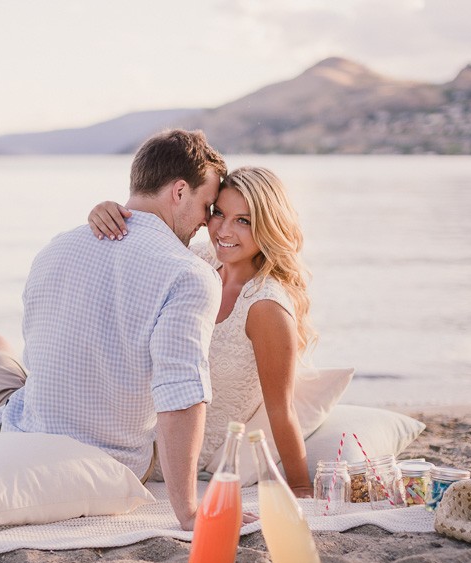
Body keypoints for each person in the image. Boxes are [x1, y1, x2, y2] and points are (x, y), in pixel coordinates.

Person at [0, 129, 228, 530]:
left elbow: (40, 348)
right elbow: (179, 394)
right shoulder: (191, 274)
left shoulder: (55, 249)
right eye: (207, 205)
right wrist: (187, 510)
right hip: (115, 461)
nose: (207, 221)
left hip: (25, 432)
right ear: (180, 191)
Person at [88, 166, 316, 497]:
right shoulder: (199, 260)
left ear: (268, 226)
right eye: (218, 213)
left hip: (169, 454)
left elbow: (281, 409)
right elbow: (130, 258)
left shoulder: (265, 306)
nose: (223, 230)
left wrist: (299, 486)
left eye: (243, 220)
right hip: (132, 423)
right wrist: (107, 213)